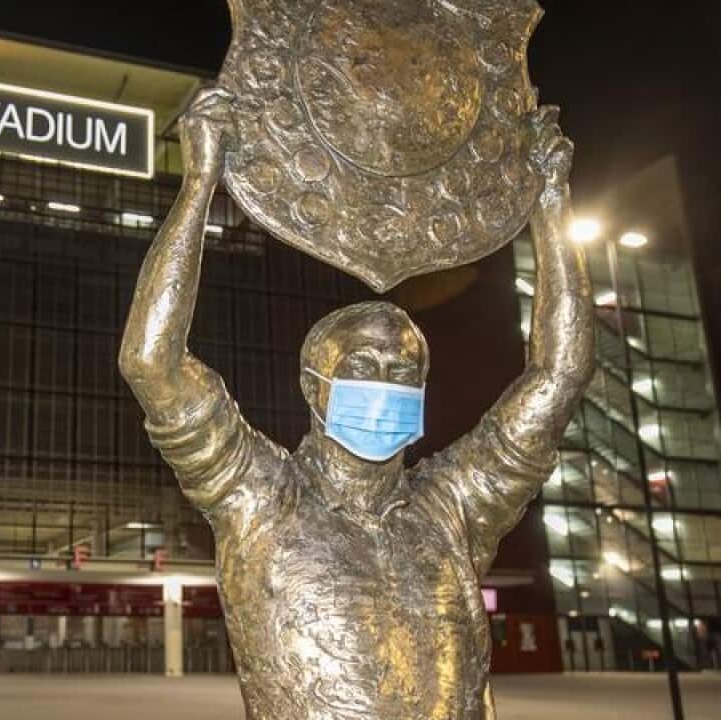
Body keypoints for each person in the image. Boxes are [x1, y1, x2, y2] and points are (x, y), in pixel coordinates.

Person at [119, 88, 594, 720]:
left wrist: (553, 202)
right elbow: (152, 362)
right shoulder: (260, 499)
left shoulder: (453, 508)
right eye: (364, 369)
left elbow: (559, 375)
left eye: (404, 372)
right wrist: (200, 182)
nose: (386, 384)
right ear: (316, 387)